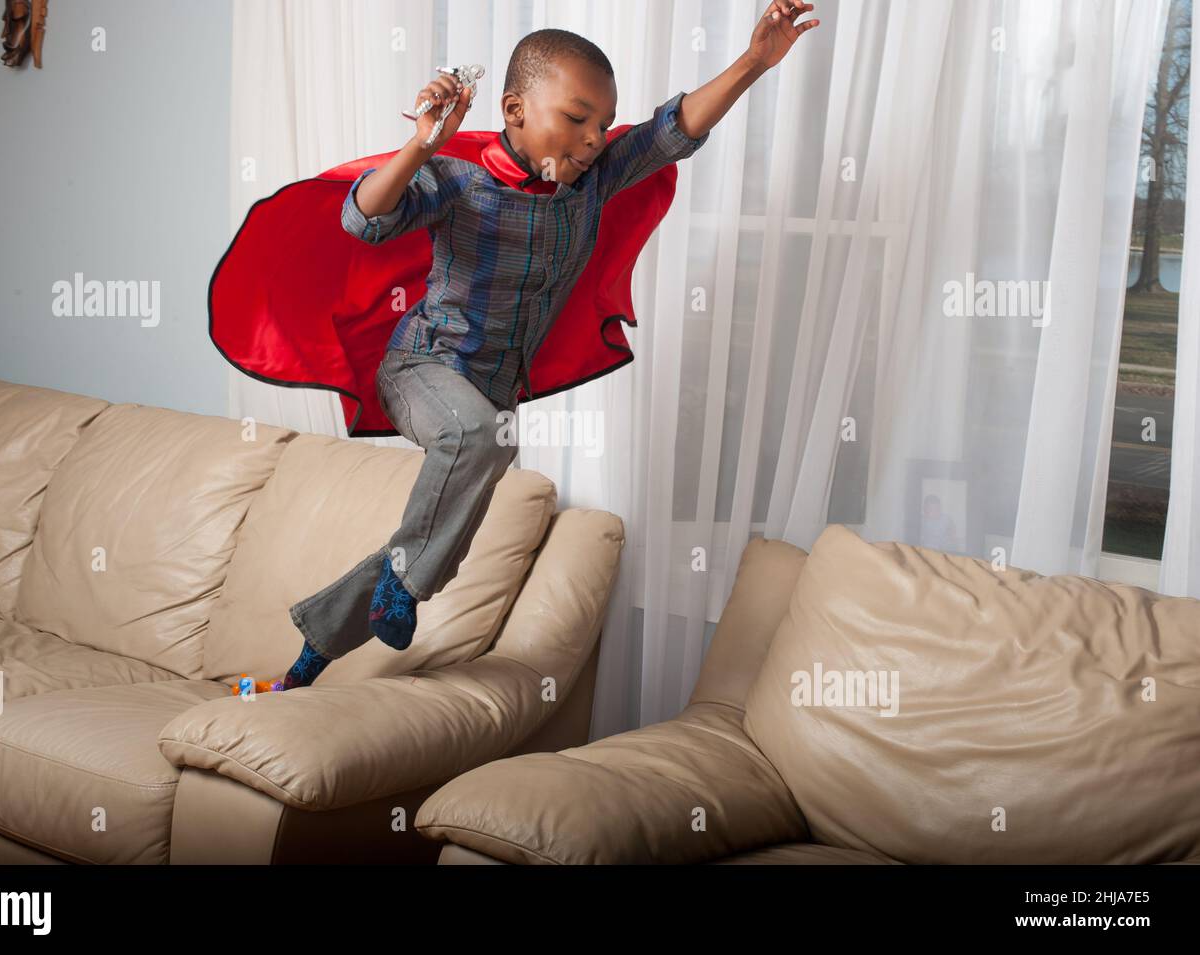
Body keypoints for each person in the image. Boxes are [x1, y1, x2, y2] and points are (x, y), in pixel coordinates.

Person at [276, 4, 820, 690]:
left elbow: (670, 131)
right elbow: (364, 218)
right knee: (479, 440)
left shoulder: (592, 183)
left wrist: (753, 62)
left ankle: (313, 655)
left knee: (432, 547)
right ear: (514, 111)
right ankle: (400, 586)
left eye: (601, 124)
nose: (593, 139)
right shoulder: (457, 181)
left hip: (492, 396)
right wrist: (420, 146)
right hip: (421, 365)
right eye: (576, 117)